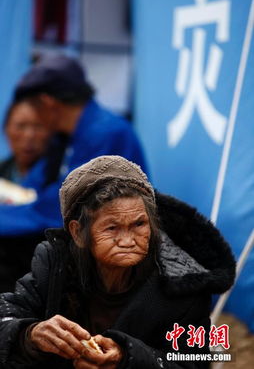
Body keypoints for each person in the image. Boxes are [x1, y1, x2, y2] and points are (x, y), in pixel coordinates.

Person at [0, 155, 236, 369]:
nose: (127, 240)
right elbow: (6, 318)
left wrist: (127, 357)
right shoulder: (55, 264)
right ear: (79, 233)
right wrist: (30, 334)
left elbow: (192, 361)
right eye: (112, 228)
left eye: (139, 224)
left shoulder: (184, 282)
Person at [0, 54, 148, 291]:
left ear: (47, 103)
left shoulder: (106, 134)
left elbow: (58, 210)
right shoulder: (69, 135)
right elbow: (34, 190)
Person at [0, 100, 50, 184]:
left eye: (38, 126)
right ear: (6, 129)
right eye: (20, 126)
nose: (29, 135)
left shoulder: (62, 173)